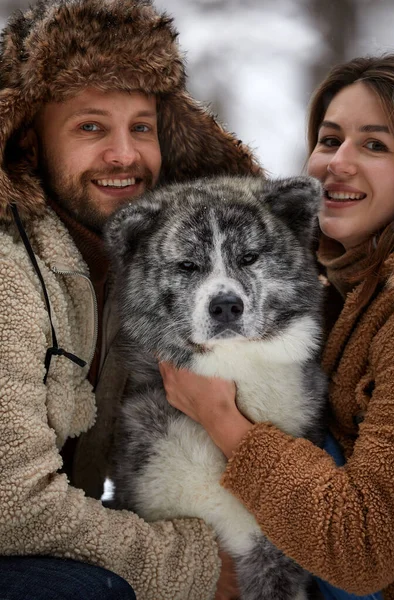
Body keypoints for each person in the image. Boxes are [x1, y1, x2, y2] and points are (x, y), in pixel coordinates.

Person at [0, 0, 261, 598]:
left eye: (141, 127)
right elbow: (13, 507)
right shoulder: (9, 271)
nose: (125, 156)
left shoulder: (144, 268)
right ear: (30, 141)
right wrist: (194, 565)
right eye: (91, 127)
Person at [160, 53, 394, 600]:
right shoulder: (329, 284)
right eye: (330, 139)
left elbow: (365, 550)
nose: (338, 163)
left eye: (375, 144)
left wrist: (219, 416)